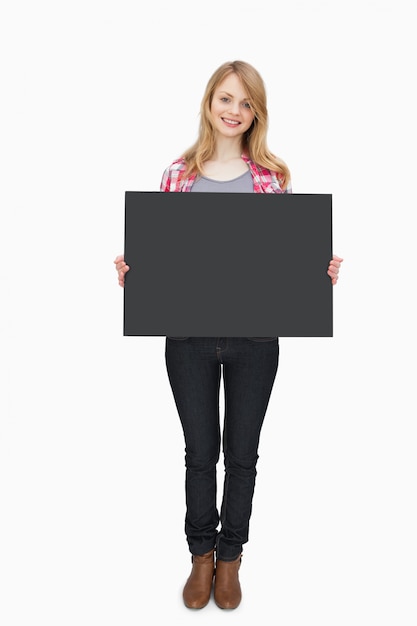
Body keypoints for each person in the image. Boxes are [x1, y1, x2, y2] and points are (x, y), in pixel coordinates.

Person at [114, 60, 343, 610]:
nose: (234, 111)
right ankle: (200, 557)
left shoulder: (272, 179)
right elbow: (162, 258)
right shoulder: (177, 175)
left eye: (246, 103)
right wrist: (134, 273)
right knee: (200, 453)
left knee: (243, 456)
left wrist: (319, 273)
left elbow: (284, 264)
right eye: (225, 99)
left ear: (256, 112)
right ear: (208, 103)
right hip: (188, 339)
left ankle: (231, 559)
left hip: (255, 340)